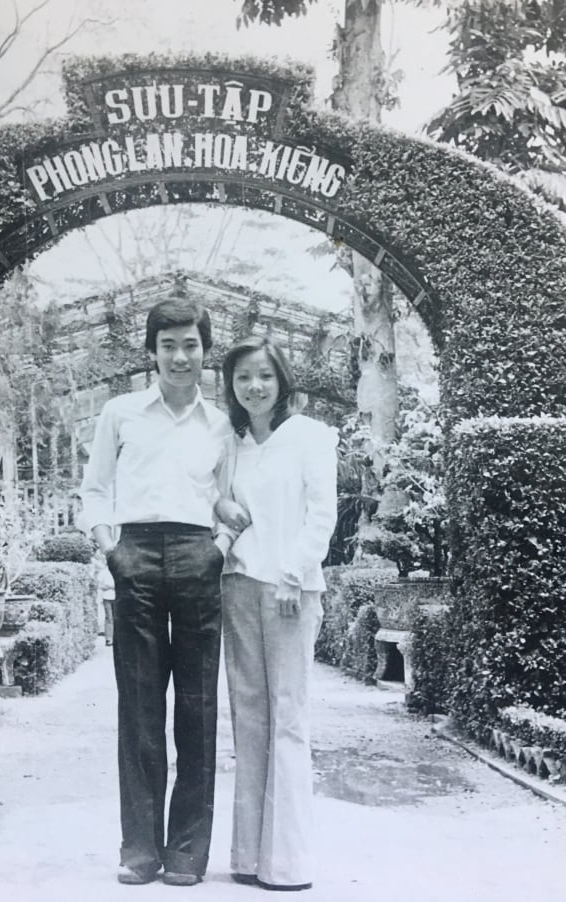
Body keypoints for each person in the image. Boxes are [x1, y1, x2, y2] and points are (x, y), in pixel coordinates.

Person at [79, 297, 230, 888]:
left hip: (198, 555)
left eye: (190, 344)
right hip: (135, 555)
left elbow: (231, 496)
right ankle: (140, 849)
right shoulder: (121, 413)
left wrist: (219, 545)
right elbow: (94, 488)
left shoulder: (220, 424)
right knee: (139, 708)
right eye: (168, 344)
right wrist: (109, 545)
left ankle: (189, 851)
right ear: (152, 351)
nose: (180, 355)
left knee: (196, 706)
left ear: (205, 352)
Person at [215, 336, 338, 892]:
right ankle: (247, 857)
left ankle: (286, 865)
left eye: (264, 375)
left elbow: (321, 513)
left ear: (282, 380)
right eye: (243, 378)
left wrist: (293, 573)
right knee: (248, 721)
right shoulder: (232, 441)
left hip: (290, 590)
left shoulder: (311, 437)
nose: (254, 387)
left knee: (288, 719)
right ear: (232, 386)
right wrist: (220, 506)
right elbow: (209, 500)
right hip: (239, 585)